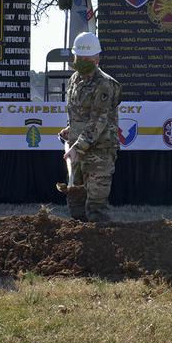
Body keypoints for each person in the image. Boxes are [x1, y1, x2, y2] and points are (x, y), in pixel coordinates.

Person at [58, 32, 121, 222]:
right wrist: (70, 129)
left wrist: (78, 146)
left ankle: (101, 248)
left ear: (97, 58)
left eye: (87, 58)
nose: (82, 61)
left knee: (96, 207)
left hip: (99, 152)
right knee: (75, 202)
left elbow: (98, 121)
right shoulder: (74, 81)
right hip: (77, 151)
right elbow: (77, 113)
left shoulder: (105, 85)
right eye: (79, 57)